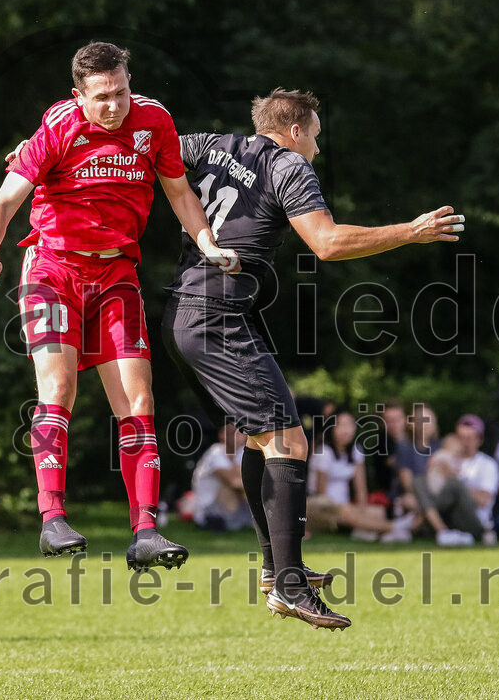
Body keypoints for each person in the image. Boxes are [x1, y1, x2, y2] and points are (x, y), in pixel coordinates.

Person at [160, 88, 465, 630]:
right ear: (296, 131)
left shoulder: (207, 144)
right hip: (215, 317)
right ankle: (289, 582)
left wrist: (42, 153)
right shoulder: (288, 167)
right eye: (317, 137)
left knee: (267, 438)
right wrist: (410, 232)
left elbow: (127, 152)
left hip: (187, 315)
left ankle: (277, 570)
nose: (317, 150)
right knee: (290, 441)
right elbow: (327, 242)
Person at [0, 42, 239, 571]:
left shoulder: (154, 122)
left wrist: (208, 243)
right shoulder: (60, 125)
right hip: (53, 268)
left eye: (120, 92)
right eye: (101, 97)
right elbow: (4, 202)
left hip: (116, 273)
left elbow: (180, 193)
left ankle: (145, 532)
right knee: (59, 388)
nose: (113, 105)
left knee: (139, 401)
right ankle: (52, 520)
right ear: (79, 95)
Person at [307, 410, 415, 543]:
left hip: (347, 505)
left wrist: (362, 511)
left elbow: (361, 488)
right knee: (346, 511)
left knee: (380, 512)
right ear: (331, 428)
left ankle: (365, 529)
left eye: (350, 425)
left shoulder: (355, 450)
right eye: (342, 425)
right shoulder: (324, 453)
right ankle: (394, 528)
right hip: (322, 507)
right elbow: (321, 494)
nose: (347, 430)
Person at [410, 433, 483, 545]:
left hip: (448, 505)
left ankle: (426, 523)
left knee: (423, 489)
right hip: (437, 494)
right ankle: (440, 530)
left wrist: (449, 472)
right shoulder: (446, 456)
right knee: (418, 482)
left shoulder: (459, 462)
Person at [191, 424, 252, 531]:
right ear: (222, 435)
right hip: (209, 510)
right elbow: (235, 482)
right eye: (232, 432)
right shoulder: (215, 453)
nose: (237, 435)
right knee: (230, 487)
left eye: (240, 432)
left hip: (234, 505)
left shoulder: (241, 453)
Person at [455, 414, 499, 540]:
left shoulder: (488, 465)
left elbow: (484, 500)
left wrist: (458, 488)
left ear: (479, 440)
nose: (465, 443)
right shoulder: (448, 460)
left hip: (476, 519)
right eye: (461, 438)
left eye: (469, 438)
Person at [396, 403, 439, 512]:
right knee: (410, 501)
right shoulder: (405, 448)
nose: (425, 424)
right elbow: (409, 486)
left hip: (436, 494)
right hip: (418, 496)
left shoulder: (441, 447)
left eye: (429, 420)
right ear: (412, 424)